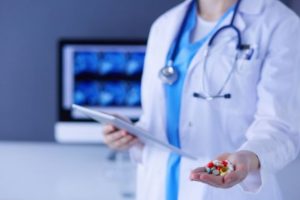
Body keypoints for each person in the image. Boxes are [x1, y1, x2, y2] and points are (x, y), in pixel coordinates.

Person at [103, 0, 300, 199]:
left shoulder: (280, 24)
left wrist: (249, 157)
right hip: (160, 186)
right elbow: (156, 119)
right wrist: (130, 134)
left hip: (230, 191)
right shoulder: (165, 25)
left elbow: (281, 127)